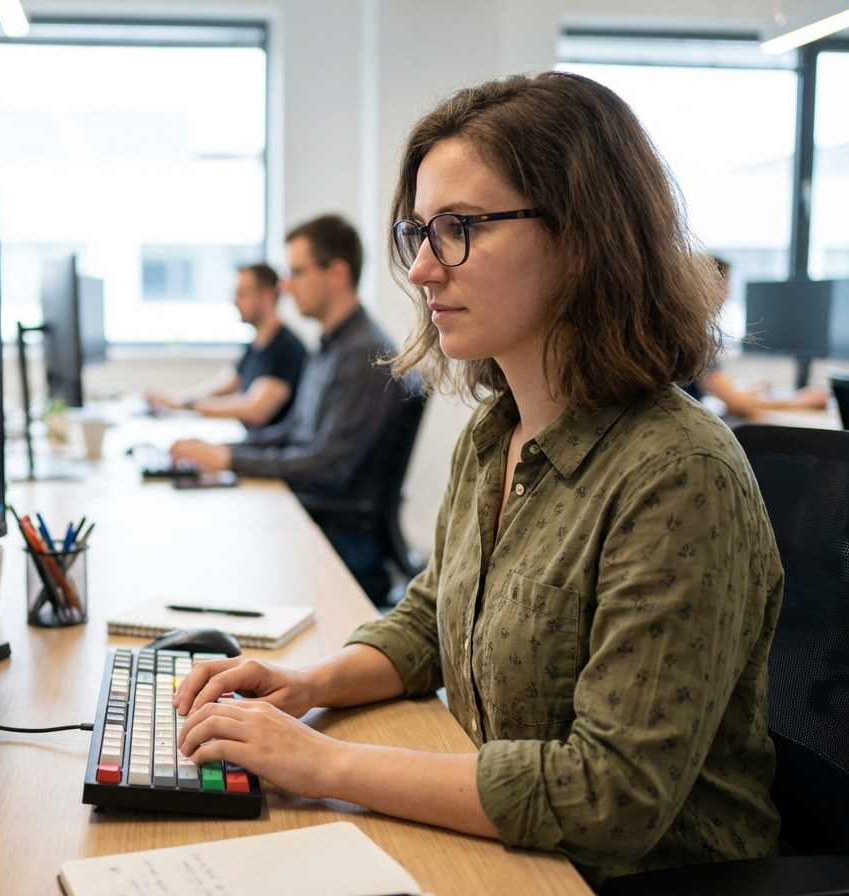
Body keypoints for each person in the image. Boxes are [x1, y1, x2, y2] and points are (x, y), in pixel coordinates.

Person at [172, 72, 781, 889]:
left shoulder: (679, 475)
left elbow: (614, 796)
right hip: (511, 851)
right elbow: (431, 617)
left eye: (457, 229)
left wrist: (322, 764)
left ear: (582, 235)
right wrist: (305, 685)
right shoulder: (496, 434)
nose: (422, 270)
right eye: (418, 233)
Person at [171, 216, 415, 603]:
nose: (284, 285)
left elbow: (327, 466)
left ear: (336, 273)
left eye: (296, 272)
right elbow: (295, 431)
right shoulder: (331, 344)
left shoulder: (363, 353)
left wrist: (231, 459)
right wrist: (226, 453)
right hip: (314, 512)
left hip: (340, 534)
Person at [146, 263, 306, 430]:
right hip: (252, 445)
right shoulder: (257, 344)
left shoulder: (286, 349)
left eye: (242, 294)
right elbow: (229, 384)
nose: (235, 302)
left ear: (267, 296)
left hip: (268, 450)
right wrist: (178, 399)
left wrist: (186, 405)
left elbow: (255, 410)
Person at [681, 256, 828, 417]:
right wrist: (799, 402)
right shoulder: (691, 338)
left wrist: (751, 390)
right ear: (707, 285)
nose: (727, 292)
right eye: (724, 283)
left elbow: (725, 394)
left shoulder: (685, 331)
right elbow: (735, 403)